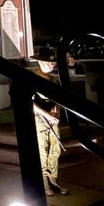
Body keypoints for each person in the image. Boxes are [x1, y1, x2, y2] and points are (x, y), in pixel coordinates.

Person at [31, 47, 69, 196]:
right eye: (48, 62)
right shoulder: (32, 78)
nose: (51, 65)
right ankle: (43, 182)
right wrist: (46, 115)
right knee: (42, 150)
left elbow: (57, 99)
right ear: (40, 62)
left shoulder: (53, 80)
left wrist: (56, 113)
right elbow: (30, 102)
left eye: (53, 62)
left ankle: (53, 179)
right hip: (39, 118)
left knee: (55, 148)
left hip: (52, 119)